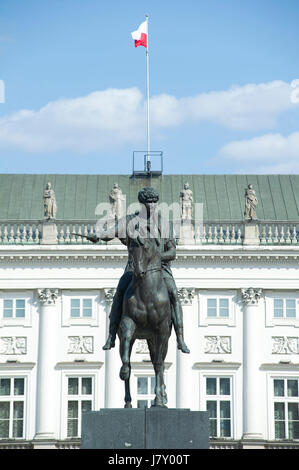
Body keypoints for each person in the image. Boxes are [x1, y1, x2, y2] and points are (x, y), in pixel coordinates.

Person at [87, 187, 190, 354]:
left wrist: (156, 257)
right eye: (149, 203)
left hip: (160, 269)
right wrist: (98, 236)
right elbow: (111, 232)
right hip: (135, 267)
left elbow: (172, 252)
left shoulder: (164, 224)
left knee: (173, 294)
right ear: (142, 204)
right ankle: (112, 335)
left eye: (155, 202)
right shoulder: (129, 221)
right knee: (119, 293)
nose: (153, 206)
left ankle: (180, 337)